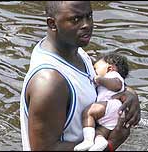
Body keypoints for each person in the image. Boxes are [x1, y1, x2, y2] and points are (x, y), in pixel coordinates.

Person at [20, 1, 141, 151]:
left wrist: (129, 94)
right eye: (75, 19)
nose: (87, 25)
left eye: (89, 16)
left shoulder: (76, 52)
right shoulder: (49, 82)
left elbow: (100, 83)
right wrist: (111, 145)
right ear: (52, 24)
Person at [74, 53, 129, 151]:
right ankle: (100, 142)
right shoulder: (109, 77)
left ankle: (88, 140)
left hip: (110, 105)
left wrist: (99, 80)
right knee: (99, 132)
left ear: (109, 68)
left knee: (88, 113)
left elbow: (117, 85)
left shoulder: (113, 75)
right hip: (112, 114)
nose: (94, 71)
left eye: (96, 68)